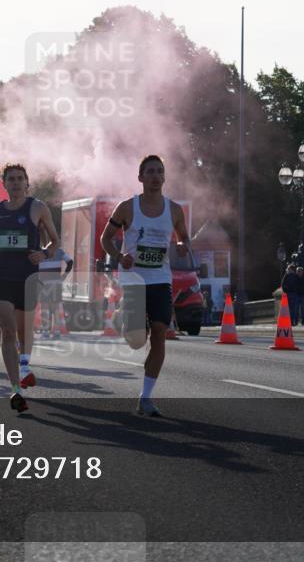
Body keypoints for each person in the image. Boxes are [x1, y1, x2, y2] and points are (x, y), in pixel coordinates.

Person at [99, 155, 192, 418]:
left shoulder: (174, 210)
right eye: (150, 172)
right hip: (133, 279)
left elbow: (184, 237)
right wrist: (119, 257)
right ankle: (122, 316)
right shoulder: (127, 208)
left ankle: (146, 398)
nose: (155, 176)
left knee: (160, 333)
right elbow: (106, 238)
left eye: (159, 172)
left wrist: (184, 245)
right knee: (137, 341)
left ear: (164, 177)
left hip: (161, 279)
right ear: (140, 177)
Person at [0, 163, 60, 413]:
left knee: (23, 332)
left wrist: (45, 253)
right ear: (4, 184)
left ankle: (23, 364)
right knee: (9, 331)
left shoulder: (38, 208)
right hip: (2, 277)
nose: (16, 183)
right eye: (11, 179)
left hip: (28, 278)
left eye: (20, 179)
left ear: (27, 183)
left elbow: (55, 240)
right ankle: (15, 390)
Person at [37, 239, 73, 339]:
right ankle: (56, 331)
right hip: (55, 283)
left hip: (43, 284)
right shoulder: (59, 251)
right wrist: (64, 276)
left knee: (45, 307)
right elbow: (70, 262)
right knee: (55, 308)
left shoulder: (39, 251)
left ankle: (45, 331)